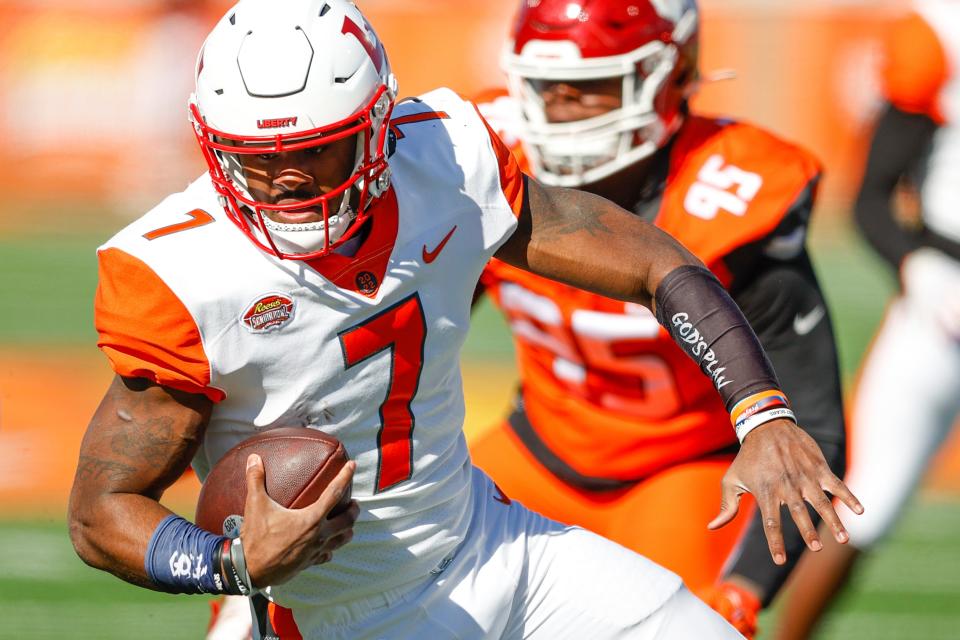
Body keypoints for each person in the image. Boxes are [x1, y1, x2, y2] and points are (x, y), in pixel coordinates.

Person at [66, 1, 861, 638]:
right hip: (353, 614)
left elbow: (654, 261)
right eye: (255, 157)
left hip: (498, 543)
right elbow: (100, 510)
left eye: (319, 151)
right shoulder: (184, 276)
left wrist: (761, 411)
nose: (286, 184)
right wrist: (229, 565)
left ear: (379, 127)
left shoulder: (444, 162)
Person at [465, 1, 848, 637]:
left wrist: (743, 591)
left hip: (680, 478)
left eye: (591, 87)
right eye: (543, 88)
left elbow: (815, 425)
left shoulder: (730, 193)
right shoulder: (491, 158)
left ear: (673, 74)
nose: (559, 111)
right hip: (535, 452)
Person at [774, 3, 960, 638]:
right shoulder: (938, 34)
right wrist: (924, 275)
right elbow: (871, 198)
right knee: (866, 500)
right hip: (947, 307)